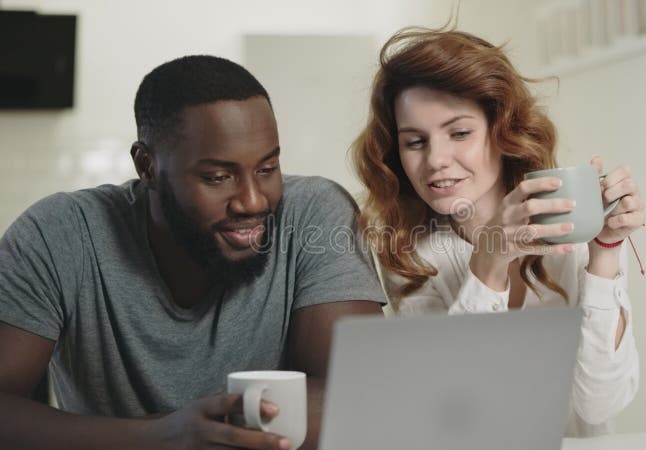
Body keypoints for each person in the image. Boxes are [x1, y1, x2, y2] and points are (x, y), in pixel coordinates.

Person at [0, 55, 386, 450]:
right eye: (217, 177)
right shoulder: (59, 233)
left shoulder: (314, 212)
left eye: (267, 168)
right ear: (147, 166)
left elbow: (362, 394)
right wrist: (161, 436)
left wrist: (202, 431)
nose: (253, 201)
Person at [352, 28, 644, 437]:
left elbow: (597, 405)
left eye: (459, 133)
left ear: (501, 130)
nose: (436, 160)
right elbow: (447, 410)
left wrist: (606, 253)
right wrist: (490, 261)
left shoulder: (574, 227)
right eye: (415, 141)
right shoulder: (410, 252)